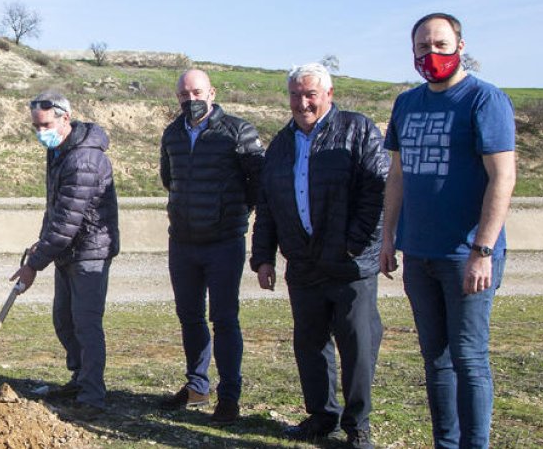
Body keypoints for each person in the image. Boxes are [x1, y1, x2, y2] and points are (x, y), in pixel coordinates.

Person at [380, 13, 516, 449]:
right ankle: (446, 443)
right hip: (418, 253)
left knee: (469, 358)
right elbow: (397, 177)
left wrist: (483, 249)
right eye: (423, 47)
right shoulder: (407, 104)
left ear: (459, 45)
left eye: (440, 44)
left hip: (466, 254)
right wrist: (387, 237)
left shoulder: (484, 100)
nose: (431, 54)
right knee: (435, 361)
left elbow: (503, 178)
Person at [250, 63, 387, 449]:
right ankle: (321, 415)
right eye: (295, 94)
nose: (302, 102)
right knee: (309, 343)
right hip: (303, 263)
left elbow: (377, 194)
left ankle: (357, 423)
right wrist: (264, 257)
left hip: (350, 265)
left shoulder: (357, 130)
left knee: (357, 345)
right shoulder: (280, 144)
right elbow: (267, 206)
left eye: (310, 94)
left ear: (328, 93)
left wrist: (352, 245)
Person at [158, 69, 264, 424]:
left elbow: (256, 184)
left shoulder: (238, 131)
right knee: (189, 316)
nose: (191, 100)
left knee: (224, 319)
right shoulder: (172, 133)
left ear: (212, 93)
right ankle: (197, 385)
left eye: (197, 92)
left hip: (224, 243)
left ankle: (229, 396)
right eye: (184, 95)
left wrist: (232, 214)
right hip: (183, 243)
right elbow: (167, 179)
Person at [10, 91, 119, 422]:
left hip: (90, 251)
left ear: (64, 118)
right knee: (64, 320)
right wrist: (39, 244)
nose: (40, 132)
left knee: (86, 325)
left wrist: (33, 264)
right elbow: (55, 210)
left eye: (44, 125)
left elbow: (68, 222)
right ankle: (79, 379)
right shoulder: (58, 150)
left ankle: (92, 397)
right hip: (68, 250)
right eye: (35, 127)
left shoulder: (82, 159)